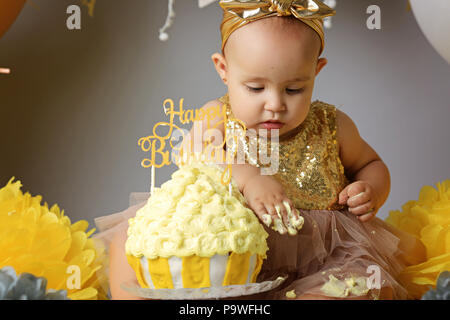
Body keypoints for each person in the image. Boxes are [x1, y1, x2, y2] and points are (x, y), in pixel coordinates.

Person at [96, 0, 426, 300]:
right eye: (255, 88)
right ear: (223, 70)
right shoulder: (218, 116)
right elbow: (193, 155)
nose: (275, 104)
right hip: (228, 245)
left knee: (362, 286)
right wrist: (248, 177)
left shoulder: (333, 124)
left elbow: (371, 163)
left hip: (323, 252)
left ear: (316, 71)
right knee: (131, 236)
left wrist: (371, 189)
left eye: (295, 89)